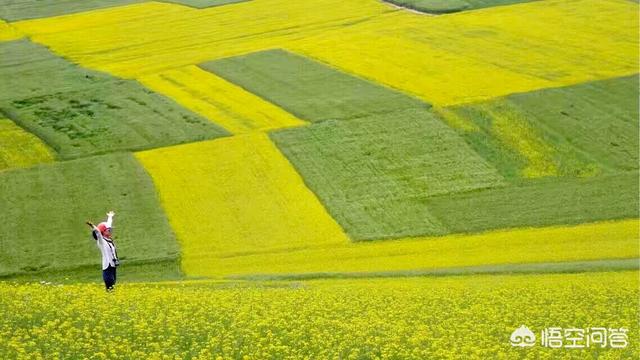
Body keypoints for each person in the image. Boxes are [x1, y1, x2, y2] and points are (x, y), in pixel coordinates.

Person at [86, 211, 120, 292]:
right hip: (107, 267)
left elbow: (108, 225)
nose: (110, 231)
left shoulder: (109, 239)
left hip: (113, 266)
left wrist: (110, 216)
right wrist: (92, 226)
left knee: (113, 286)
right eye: (108, 230)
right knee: (110, 286)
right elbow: (98, 232)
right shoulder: (101, 241)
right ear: (103, 232)